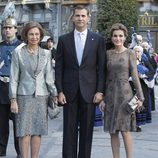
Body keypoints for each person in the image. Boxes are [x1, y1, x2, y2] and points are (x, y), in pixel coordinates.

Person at [55, 5, 105, 158]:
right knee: (68, 132)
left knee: (86, 132)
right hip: (69, 93)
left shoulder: (97, 39)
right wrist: (60, 91)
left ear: (88, 18)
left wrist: (99, 91)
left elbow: (101, 68)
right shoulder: (63, 40)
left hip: (90, 93)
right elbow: (59, 68)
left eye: (83, 16)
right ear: (73, 18)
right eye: (77, 16)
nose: (80, 19)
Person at [9, 21, 58, 158]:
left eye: (37, 34)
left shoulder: (46, 54)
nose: (34, 37)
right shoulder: (17, 53)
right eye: (31, 34)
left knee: (37, 130)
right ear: (26, 35)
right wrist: (13, 99)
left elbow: (49, 77)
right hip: (23, 96)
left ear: (41, 36)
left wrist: (54, 93)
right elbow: (14, 78)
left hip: (41, 96)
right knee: (24, 131)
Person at [99, 23, 144, 158]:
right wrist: (102, 98)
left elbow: (135, 77)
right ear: (112, 38)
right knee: (113, 131)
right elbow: (104, 77)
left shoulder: (130, 53)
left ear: (125, 38)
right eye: (115, 36)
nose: (117, 38)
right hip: (110, 95)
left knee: (125, 130)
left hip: (126, 96)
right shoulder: (107, 54)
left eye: (120, 36)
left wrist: (140, 98)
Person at [0, 16, 22, 157]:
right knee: (1, 124)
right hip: (1, 86)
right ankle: (1, 149)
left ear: (15, 29)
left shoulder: (22, 46)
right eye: (5, 28)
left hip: (18, 88)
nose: (7, 30)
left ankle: (20, 150)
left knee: (18, 123)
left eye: (10, 27)